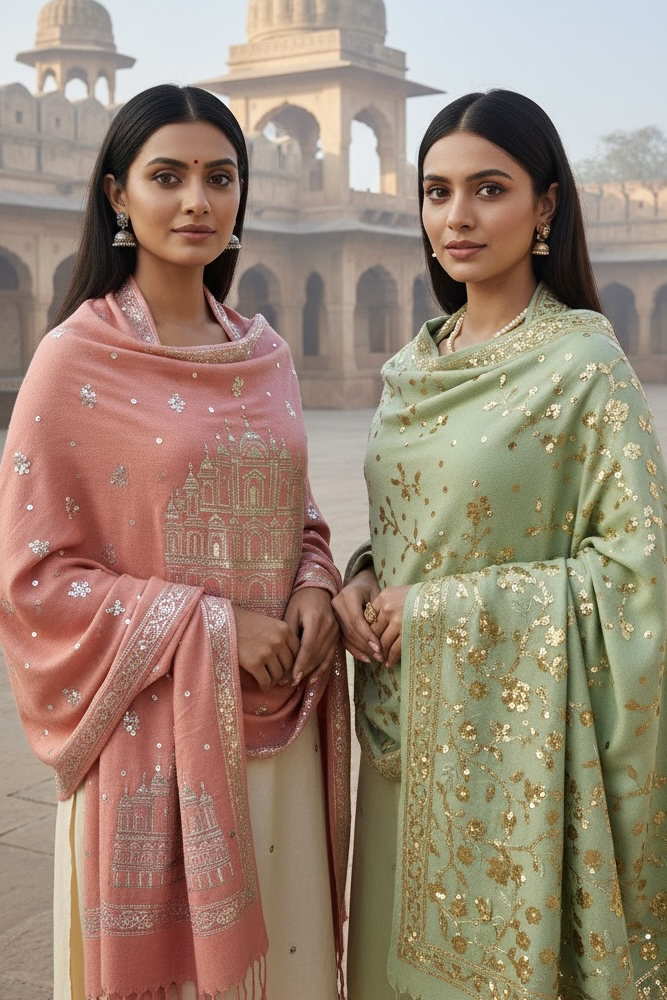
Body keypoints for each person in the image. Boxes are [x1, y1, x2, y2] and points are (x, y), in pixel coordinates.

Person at [0, 84, 350, 1000]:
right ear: (118, 194)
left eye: (219, 177)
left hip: (283, 735)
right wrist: (217, 624)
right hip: (155, 736)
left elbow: (297, 513)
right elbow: (33, 578)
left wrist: (313, 584)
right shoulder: (76, 359)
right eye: (168, 176)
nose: (197, 200)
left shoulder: (262, 354)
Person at [332, 89, 667, 1000]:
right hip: (403, 746)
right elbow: (414, 529)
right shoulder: (410, 367)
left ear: (545, 205)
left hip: (514, 752)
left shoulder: (581, 364)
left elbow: (640, 577)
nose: (456, 217)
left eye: (488, 189)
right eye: (435, 193)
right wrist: (363, 579)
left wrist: (439, 611)